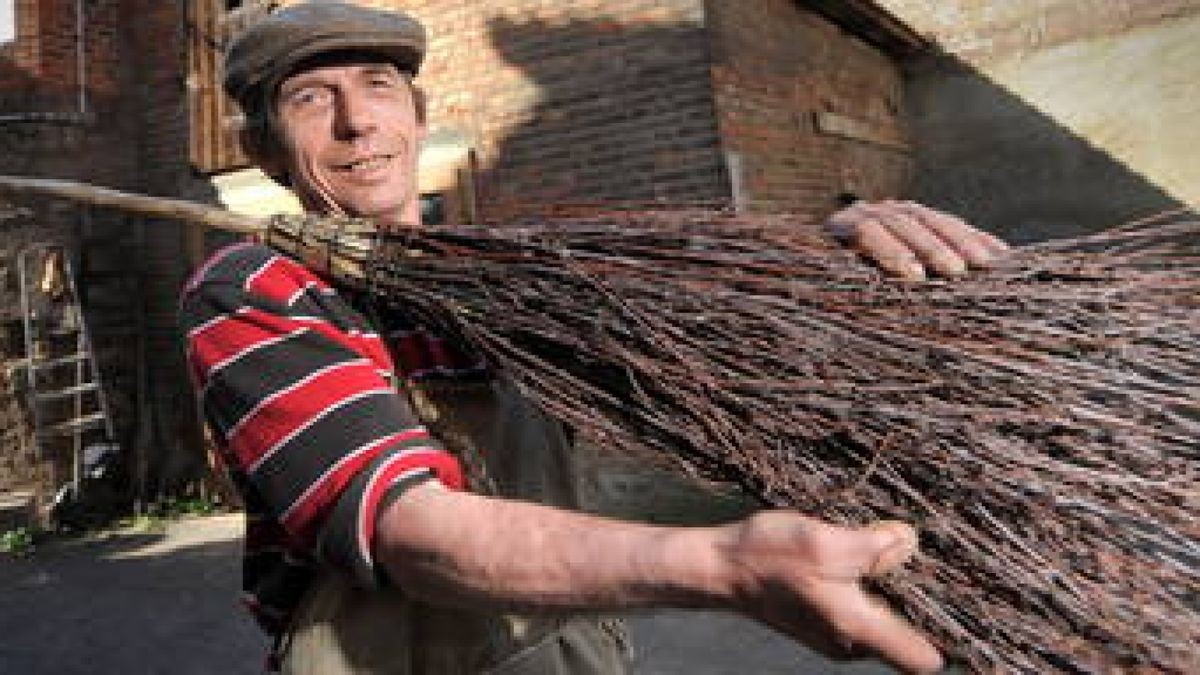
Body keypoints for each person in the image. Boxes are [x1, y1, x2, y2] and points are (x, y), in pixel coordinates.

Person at [181, 2, 1004, 673]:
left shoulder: (501, 275)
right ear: (264, 151)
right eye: (310, 98)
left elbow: (691, 334)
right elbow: (408, 527)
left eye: (379, 85)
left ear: (418, 114)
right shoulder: (256, 288)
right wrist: (725, 564)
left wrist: (828, 255)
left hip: (569, 647)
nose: (358, 121)